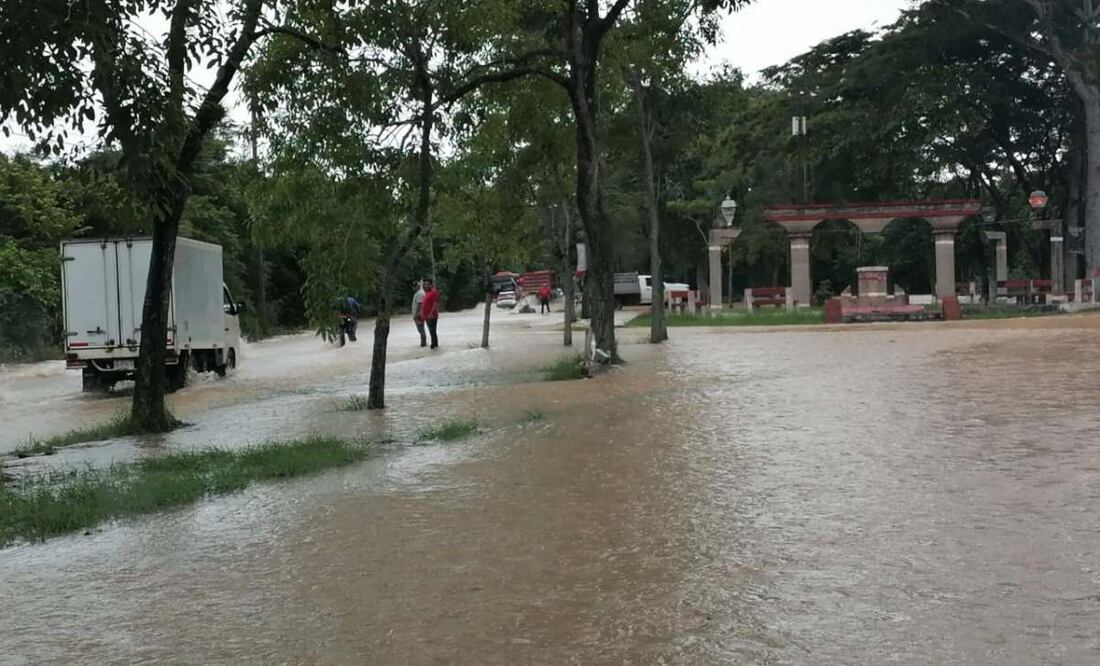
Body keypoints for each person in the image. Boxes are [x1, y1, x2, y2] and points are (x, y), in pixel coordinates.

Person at [420, 278, 440, 349]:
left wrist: (431, 313)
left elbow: (435, 303)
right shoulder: (426, 293)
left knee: (432, 330)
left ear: (431, 285)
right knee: (431, 330)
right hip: (426, 315)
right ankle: (435, 344)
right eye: (425, 284)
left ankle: (433, 344)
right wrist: (422, 313)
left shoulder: (434, 292)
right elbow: (424, 304)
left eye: (428, 284)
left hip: (432, 315)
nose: (426, 286)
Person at [411, 281, 427, 347]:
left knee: (421, 329)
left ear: (418, 286)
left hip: (419, 314)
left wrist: (416, 314)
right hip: (419, 314)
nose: (413, 288)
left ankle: (423, 343)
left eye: (414, 286)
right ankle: (423, 342)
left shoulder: (420, 293)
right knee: (420, 329)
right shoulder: (418, 293)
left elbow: (420, 304)